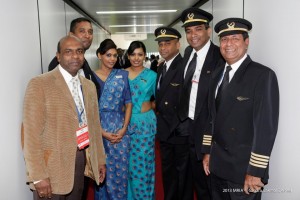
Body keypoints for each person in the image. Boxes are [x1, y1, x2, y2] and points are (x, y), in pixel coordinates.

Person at [202, 18, 279, 200]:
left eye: (235, 38)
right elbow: (211, 117)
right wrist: (207, 152)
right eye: (224, 39)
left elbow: (265, 129)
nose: (228, 44)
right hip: (217, 165)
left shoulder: (262, 75)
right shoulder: (216, 75)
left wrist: (256, 171)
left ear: (246, 42)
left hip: (243, 170)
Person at [21, 35, 106, 200]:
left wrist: (99, 160)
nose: (75, 56)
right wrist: (38, 176)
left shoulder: (88, 86)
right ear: (58, 56)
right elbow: (30, 136)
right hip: (51, 168)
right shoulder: (39, 84)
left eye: (79, 51)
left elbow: (94, 127)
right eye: (68, 52)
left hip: (80, 160)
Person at [176, 8, 223, 199]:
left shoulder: (219, 57)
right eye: (188, 31)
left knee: (207, 187)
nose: (193, 35)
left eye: (198, 29)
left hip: (206, 131)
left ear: (208, 31)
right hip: (186, 128)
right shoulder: (188, 53)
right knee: (189, 181)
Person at [153, 27, 190, 200]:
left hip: (179, 131)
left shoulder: (184, 66)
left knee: (182, 176)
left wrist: (180, 124)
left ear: (178, 44)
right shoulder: (162, 67)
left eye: (168, 43)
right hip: (165, 131)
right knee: (168, 172)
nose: (163, 48)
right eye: (161, 44)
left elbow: (188, 99)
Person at [93, 39, 132, 200]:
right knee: (101, 174)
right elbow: (89, 109)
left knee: (120, 174)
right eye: (108, 55)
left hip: (120, 130)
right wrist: (101, 132)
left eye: (115, 55)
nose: (112, 59)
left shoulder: (122, 75)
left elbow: (128, 103)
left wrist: (124, 129)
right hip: (99, 129)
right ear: (99, 55)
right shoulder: (90, 77)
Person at [125, 41, 157, 200]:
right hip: (124, 126)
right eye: (133, 54)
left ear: (144, 56)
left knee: (143, 166)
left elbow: (159, 100)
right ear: (128, 56)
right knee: (126, 166)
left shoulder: (152, 76)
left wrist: (148, 107)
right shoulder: (120, 75)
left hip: (145, 126)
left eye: (140, 54)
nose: (136, 58)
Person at [48, 17, 101, 100]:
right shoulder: (60, 64)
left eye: (90, 32)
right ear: (71, 35)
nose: (87, 35)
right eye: (82, 31)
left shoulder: (84, 63)